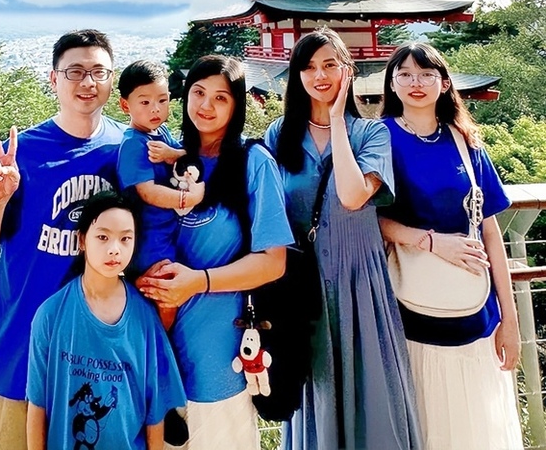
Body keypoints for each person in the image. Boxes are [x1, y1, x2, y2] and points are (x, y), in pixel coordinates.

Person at [0, 29, 126, 450]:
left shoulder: (130, 148)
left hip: (97, 359)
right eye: (74, 71)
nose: (87, 82)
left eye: (98, 72)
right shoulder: (24, 154)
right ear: (53, 80)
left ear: (112, 79)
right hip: (18, 350)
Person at [263, 28, 421, 450]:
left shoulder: (371, 133)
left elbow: (353, 197)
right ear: (295, 75)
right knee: (313, 389)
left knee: (372, 391)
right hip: (300, 287)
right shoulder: (279, 136)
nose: (320, 76)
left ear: (347, 71)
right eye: (309, 67)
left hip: (359, 283)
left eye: (330, 65)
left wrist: (335, 120)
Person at [138, 54, 291, 450]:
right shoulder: (162, 156)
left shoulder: (252, 163)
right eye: (199, 92)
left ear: (237, 104)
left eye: (221, 98)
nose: (206, 106)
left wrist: (197, 282)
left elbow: (273, 262)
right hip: (153, 349)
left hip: (218, 353)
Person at [379, 42, 522, 450]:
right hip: (411, 309)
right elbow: (365, 218)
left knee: (478, 426)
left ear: (444, 84)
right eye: (404, 73)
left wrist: (508, 321)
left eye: (426, 74)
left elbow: (489, 231)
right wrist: (429, 242)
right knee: (428, 423)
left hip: (477, 312)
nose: (415, 82)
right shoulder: (379, 138)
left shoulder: (464, 140)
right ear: (392, 83)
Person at [26, 189, 186, 450]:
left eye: (125, 239)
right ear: (82, 240)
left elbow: (154, 411)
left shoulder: (145, 317)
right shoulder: (50, 316)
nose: (114, 249)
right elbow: (37, 406)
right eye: (102, 237)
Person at [116, 61, 205, 308]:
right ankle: (160, 342)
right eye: (144, 102)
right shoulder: (134, 143)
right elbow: (148, 192)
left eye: (162, 100)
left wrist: (171, 155)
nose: (155, 109)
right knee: (163, 292)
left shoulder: (161, 132)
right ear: (125, 105)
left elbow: (185, 153)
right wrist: (189, 199)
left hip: (168, 230)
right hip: (149, 236)